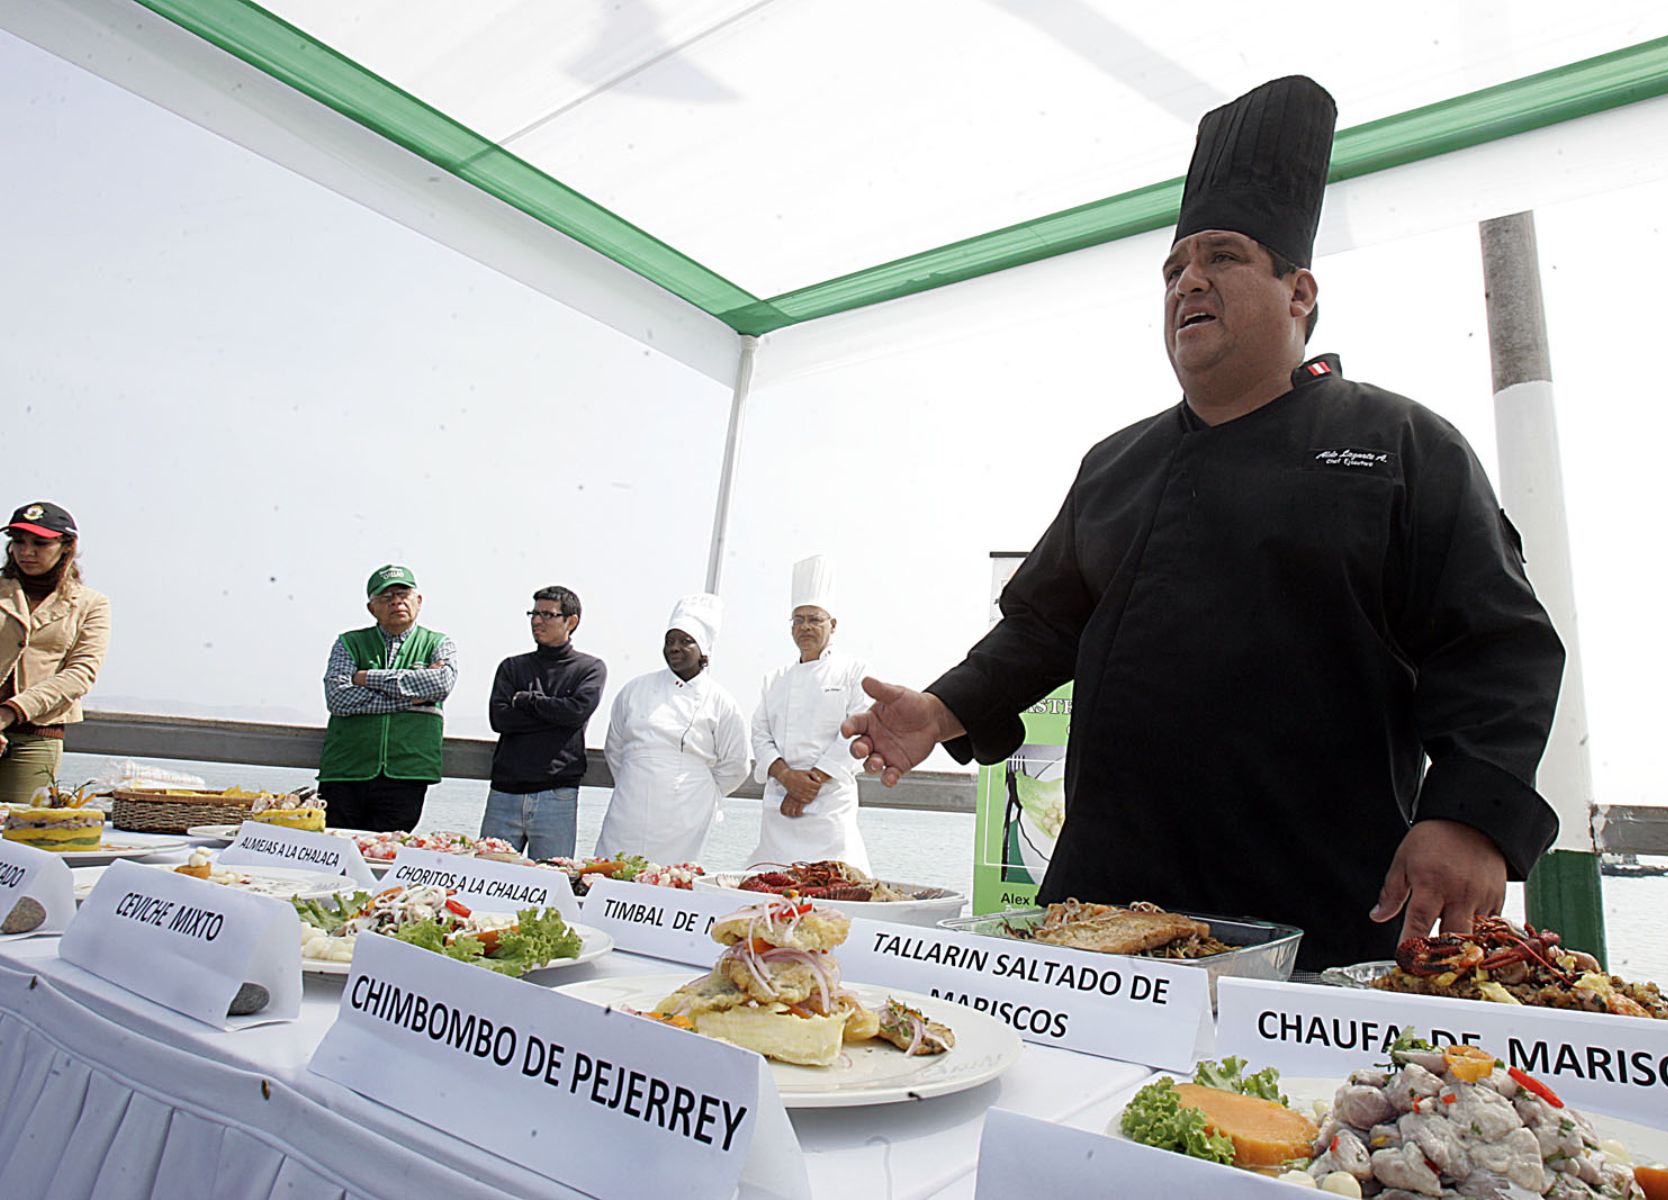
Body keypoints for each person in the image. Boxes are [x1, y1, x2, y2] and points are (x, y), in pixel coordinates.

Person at [844, 77, 1566, 971]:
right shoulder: (1117, 463)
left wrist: (1466, 815)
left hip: (1322, 906)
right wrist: (943, 707)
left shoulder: (1398, 443)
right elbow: (1042, 624)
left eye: (1222, 258)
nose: (1188, 281)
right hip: (1103, 907)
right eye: (1173, 270)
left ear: (1299, 291)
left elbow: (1498, 642)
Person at [597, 594, 750, 862]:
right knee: (613, 869)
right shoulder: (634, 689)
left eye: (685, 641)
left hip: (688, 810)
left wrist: (702, 791)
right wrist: (636, 778)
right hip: (629, 803)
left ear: (703, 648)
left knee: (671, 879)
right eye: (669, 641)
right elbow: (615, 748)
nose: (674, 648)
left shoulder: (721, 701)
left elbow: (736, 765)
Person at [747, 556, 874, 872]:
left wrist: (810, 783)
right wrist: (787, 777)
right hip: (779, 803)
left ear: (833, 624)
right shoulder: (774, 679)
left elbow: (860, 732)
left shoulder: (854, 671)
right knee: (771, 884)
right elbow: (760, 734)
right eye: (798, 620)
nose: (805, 627)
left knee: (835, 886)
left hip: (830, 804)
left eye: (815, 619)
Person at [318, 565, 457, 832]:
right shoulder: (348, 642)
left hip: (407, 771)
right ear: (372, 608)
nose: (396, 601)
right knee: (336, 850)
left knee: (387, 855)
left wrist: (367, 677)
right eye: (386, 597)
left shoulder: (438, 643)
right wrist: (409, 699)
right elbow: (338, 698)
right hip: (346, 769)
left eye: (403, 594)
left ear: (418, 601)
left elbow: (440, 684)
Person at [481, 586, 607, 860]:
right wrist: (555, 713)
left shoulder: (589, 668)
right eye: (534, 613)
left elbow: (575, 713)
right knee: (488, 876)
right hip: (505, 791)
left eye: (548, 614)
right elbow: (500, 718)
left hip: (557, 794)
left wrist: (527, 701)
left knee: (550, 880)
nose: (537, 621)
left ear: (571, 621)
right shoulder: (511, 667)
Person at [0, 502, 111, 804]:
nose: (26, 551)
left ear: (66, 547)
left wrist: (9, 712)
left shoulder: (90, 604)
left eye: (40, 543)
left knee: (17, 835)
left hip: (37, 736)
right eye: (18, 541)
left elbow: (80, 674)